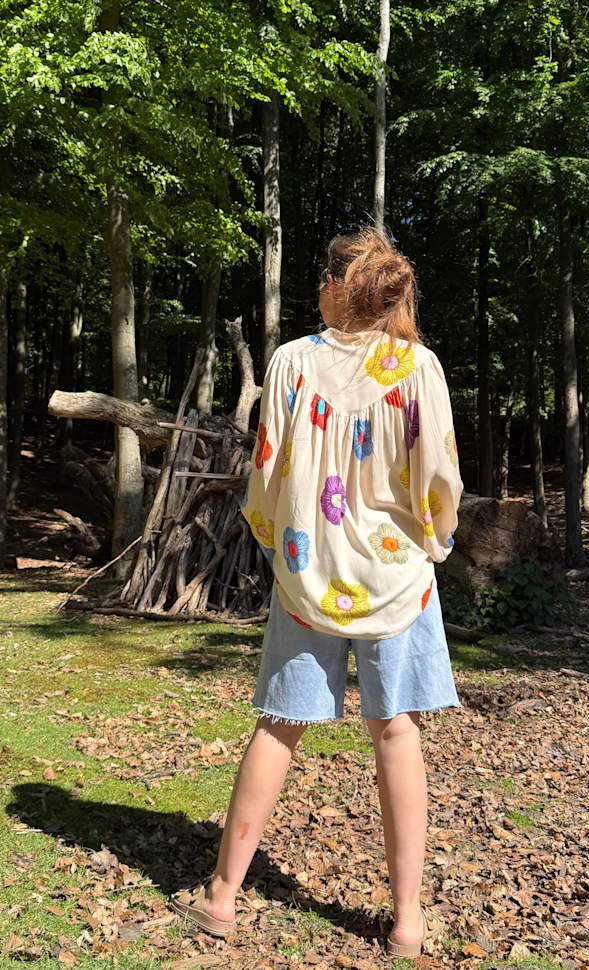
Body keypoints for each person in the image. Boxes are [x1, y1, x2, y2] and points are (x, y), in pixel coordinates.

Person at [169, 227, 464, 958]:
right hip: (397, 581)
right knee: (397, 732)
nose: (316, 291)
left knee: (278, 726)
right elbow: (441, 478)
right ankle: (407, 923)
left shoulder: (292, 363)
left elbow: (266, 473)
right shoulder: (419, 367)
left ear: (337, 285)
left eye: (320, 280)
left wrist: (280, 547)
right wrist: (435, 544)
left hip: (307, 574)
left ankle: (222, 898)